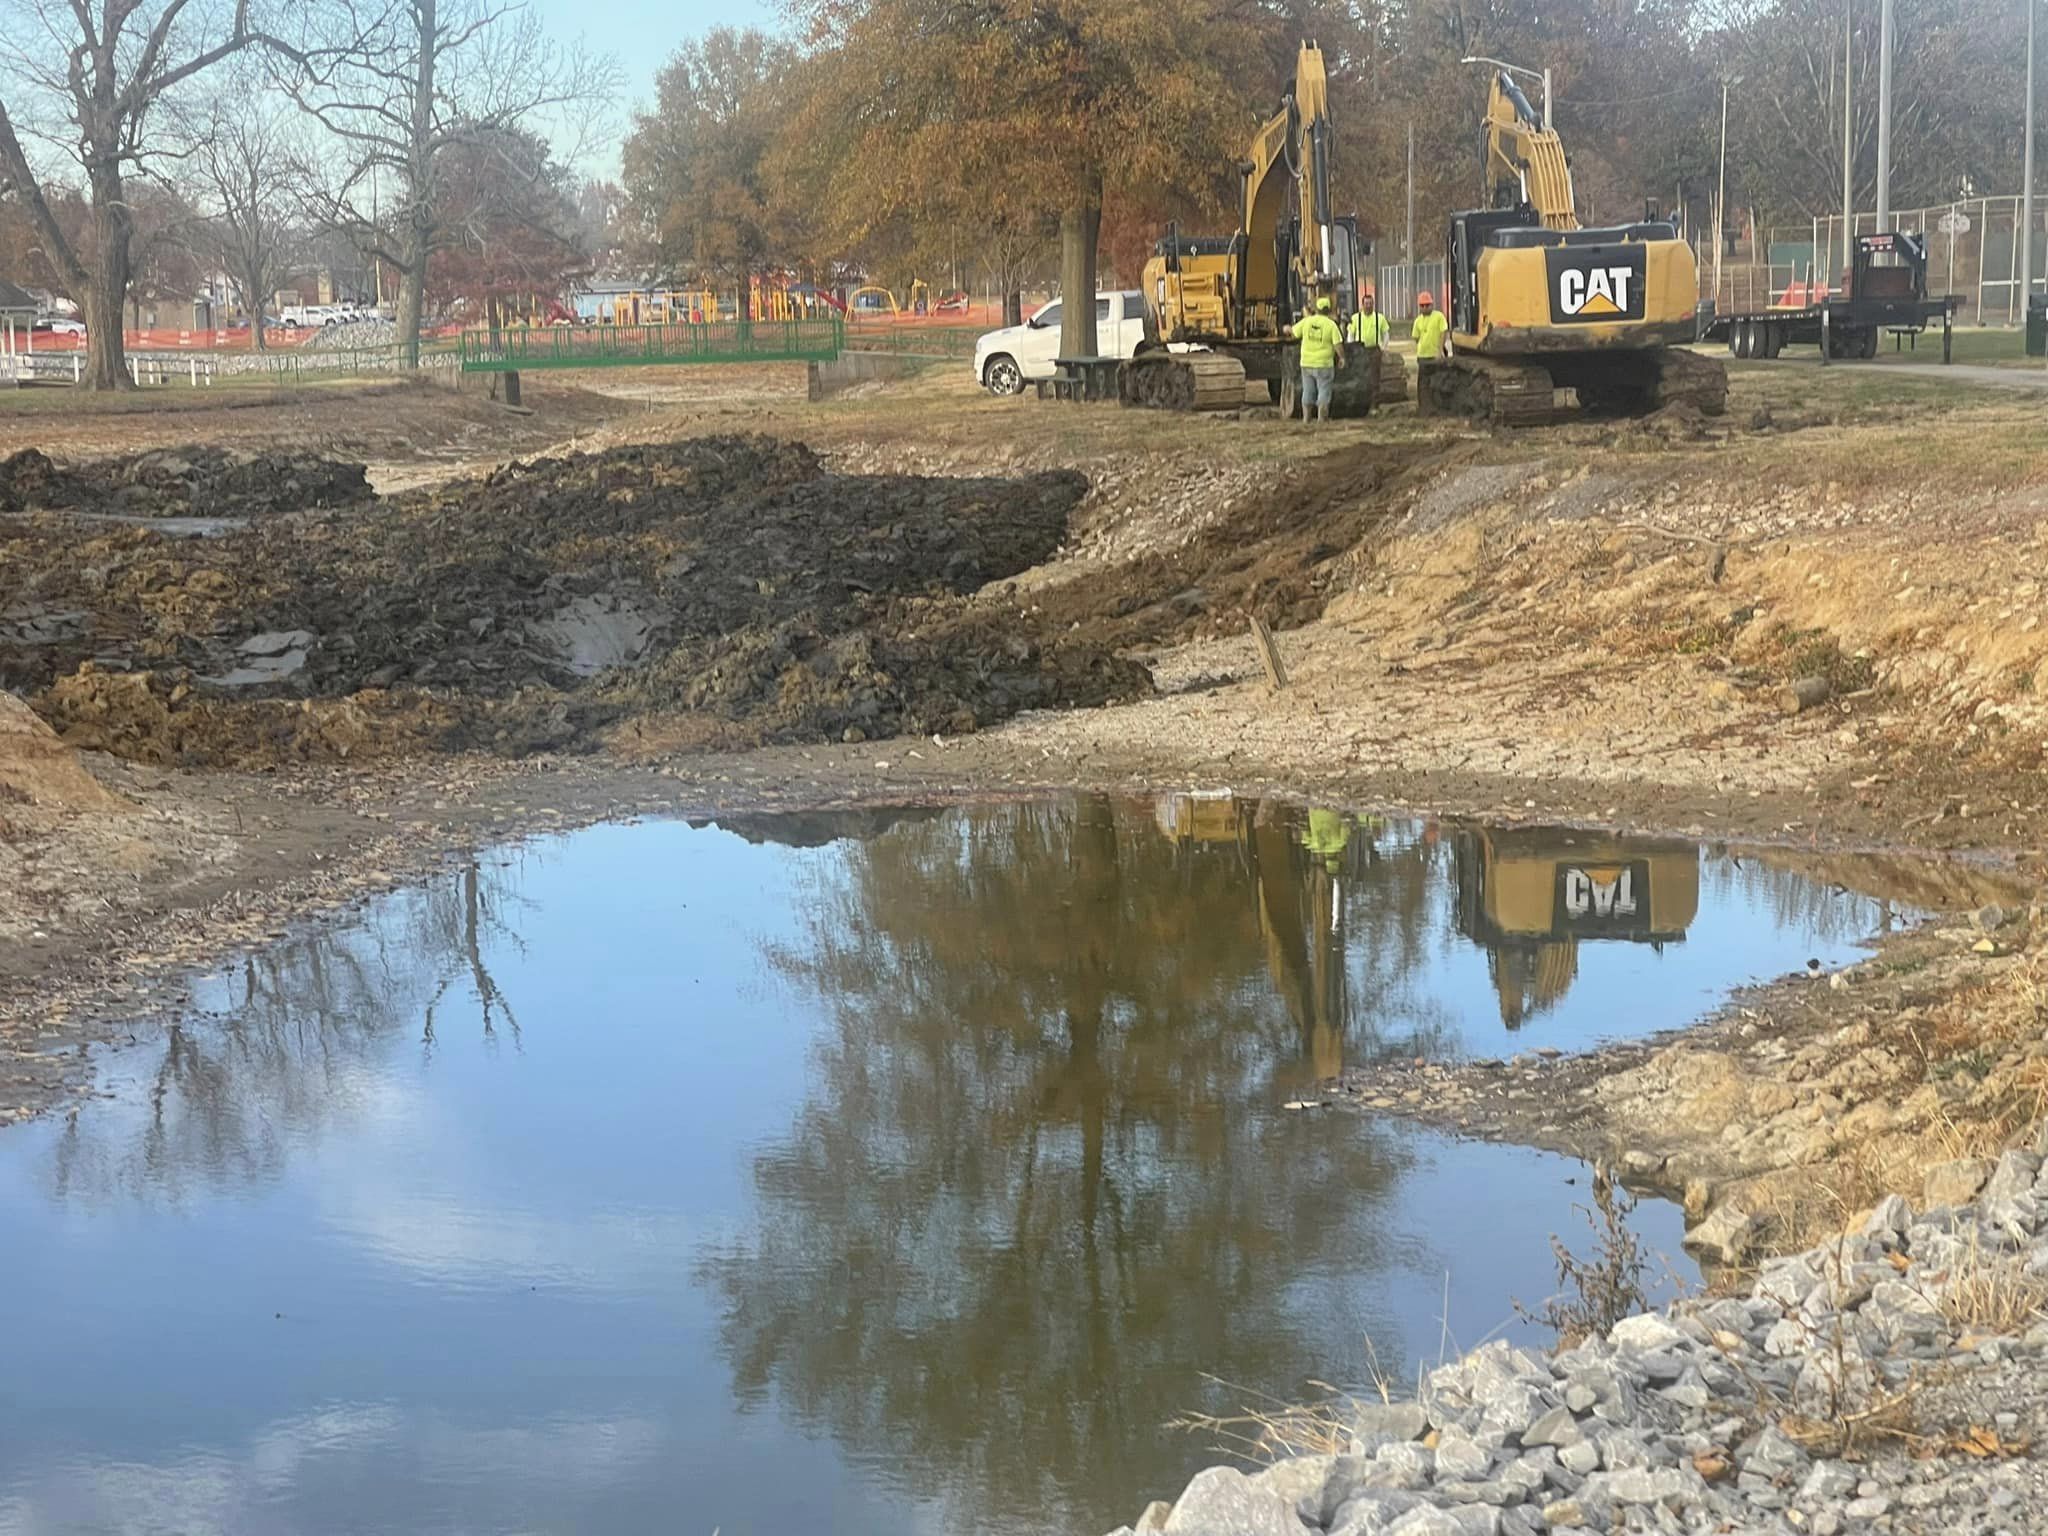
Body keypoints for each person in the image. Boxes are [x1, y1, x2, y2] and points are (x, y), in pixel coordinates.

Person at [1283, 295, 1346, 424]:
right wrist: (1342, 358)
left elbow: (1293, 332)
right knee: (1323, 390)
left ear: (1316, 309)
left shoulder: (1307, 321)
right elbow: (1338, 344)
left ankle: (1306, 419)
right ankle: (1321, 419)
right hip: (1324, 364)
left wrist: (1285, 328)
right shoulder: (1331, 325)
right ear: (1329, 309)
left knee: (1308, 391)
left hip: (1306, 364)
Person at [1411, 290, 1449, 362]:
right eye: (1422, 305)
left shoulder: (1439, 316)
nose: (1425, 307)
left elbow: (1443, 333)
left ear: (1432, 305)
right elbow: (1416, 337)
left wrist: (1440, 351)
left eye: (1427, 305)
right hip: (1422, 355)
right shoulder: (1417, 320)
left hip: (1435, 355)